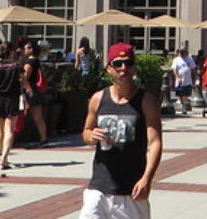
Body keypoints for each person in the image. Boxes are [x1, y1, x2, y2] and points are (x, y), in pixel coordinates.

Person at [78, 42, 163, 219]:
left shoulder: (146, 101)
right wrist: (91, 136)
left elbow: (155, 142)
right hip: (99, 188)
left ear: (134, 68)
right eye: (118, 64)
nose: (123, 68)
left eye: (128, 63)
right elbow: (86, 131)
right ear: (109, 68)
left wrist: (147, 178)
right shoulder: (98, 99)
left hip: (131, 191)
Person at [0, 42, 30, 171]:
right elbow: (24, 80)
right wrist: (29, 90)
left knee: (0, 129)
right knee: (10, 129)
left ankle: (2, 154)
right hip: (12, 99)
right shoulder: (16, 66)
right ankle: (5, 156)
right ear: (10, 52)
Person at [22, 40, 50, 146]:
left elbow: (24, 77)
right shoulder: (36, 61)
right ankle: (44, 138)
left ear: (31, 49)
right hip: (36, 89)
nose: (24, 50)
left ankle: (42, 138)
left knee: (33, 116)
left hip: (29, 90)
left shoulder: (29, 63)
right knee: (39, 116)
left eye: (26, 48)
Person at [170, 47, 195, 114]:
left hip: (188, 80)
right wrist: (177, 77)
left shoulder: (189, 59)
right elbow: (174, 70)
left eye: (182, 52)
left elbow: (193, 68)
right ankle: (183, 106)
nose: (181, 53)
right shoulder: (176, 60)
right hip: (180, 80)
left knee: (186, 93)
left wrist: (194, 78)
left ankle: (184, 104)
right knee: (181, 93)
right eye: (180, 52)